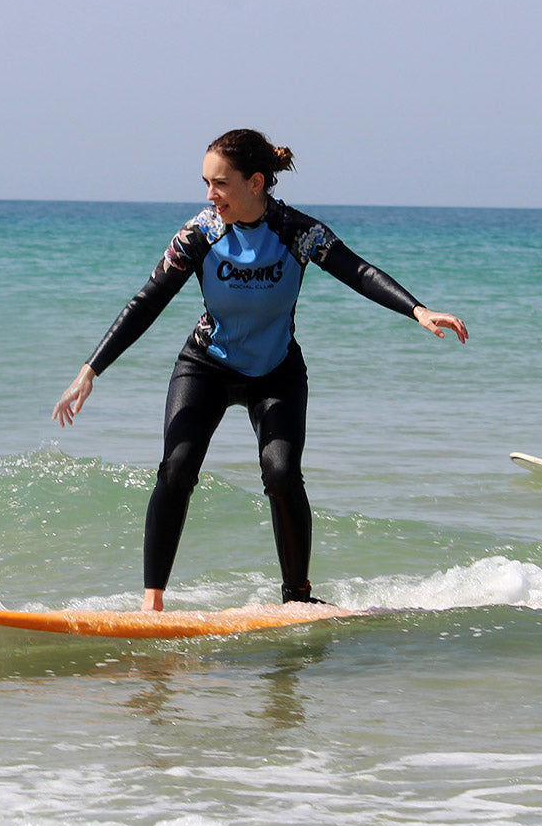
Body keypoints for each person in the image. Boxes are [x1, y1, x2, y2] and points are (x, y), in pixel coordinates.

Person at [52, 129, 468, 612]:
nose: (210, 195)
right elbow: (148, 301)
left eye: (220, 183)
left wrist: (417, 310)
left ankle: (298, 598)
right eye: (206, 182)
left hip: (275, 370)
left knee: (281, 471)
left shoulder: (297, 231)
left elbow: (357, 270)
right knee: (177, 467)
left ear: (255, 182)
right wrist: (91, 369)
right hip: (205, 364)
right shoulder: (200, 234)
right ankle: (153, 602)